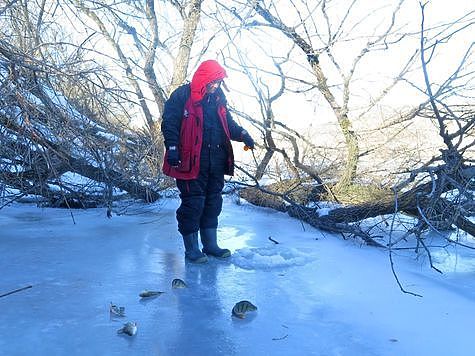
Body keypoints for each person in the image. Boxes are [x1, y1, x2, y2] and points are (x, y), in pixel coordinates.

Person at [161, 60, 255, 263]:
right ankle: (192, 249)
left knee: (213, 202)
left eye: (219, 83)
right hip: (190, 160)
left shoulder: (219, 98)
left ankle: (210, 245)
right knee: (193, 203)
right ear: (204, 79)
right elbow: (169, 123)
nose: (216, 86)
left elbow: (228, 124)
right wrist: (173, 148)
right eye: (213, 82)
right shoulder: (182, 95)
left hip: (216, 160)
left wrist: (243, 134)